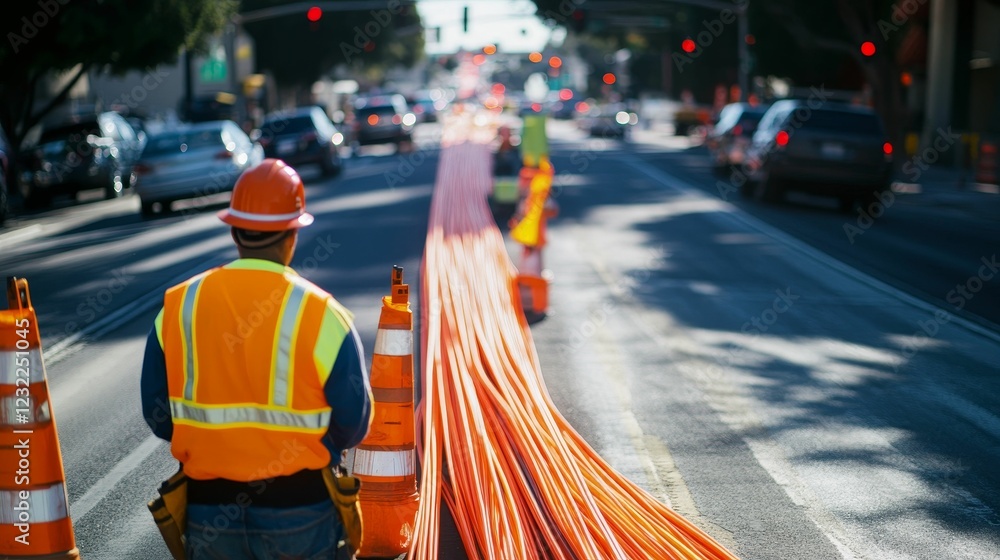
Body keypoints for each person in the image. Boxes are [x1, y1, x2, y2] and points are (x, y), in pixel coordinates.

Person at [140, 158, 372, 559]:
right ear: (292, 234)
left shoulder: (179, 306)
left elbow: (158, 415)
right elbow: (354, 422)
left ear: (234, 230)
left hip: (208, 508)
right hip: (300, 506)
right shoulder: (321, 313)